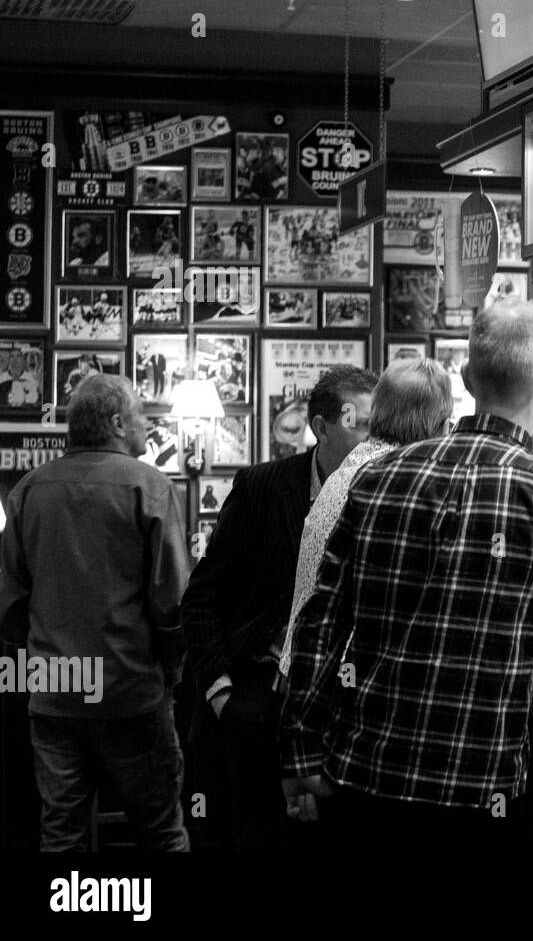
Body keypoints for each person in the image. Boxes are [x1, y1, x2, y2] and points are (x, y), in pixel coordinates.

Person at [280, 301, 533, 850]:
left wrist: (298, 752)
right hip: (480, 785)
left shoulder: (377, 477)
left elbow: (320, 624)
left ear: (464, 378)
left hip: (363, 774)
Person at [181, 364, 377, 850]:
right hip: (256, 693)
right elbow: (202, 597)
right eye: (364, 424)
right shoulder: (264, 487)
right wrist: (222, 692)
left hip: (340, 712)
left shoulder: (384, 491)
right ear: (321, 427)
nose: (377, 439)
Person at [0, 375, 190, 850]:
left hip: (54, 692)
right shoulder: (150, 486)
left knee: (62, 833)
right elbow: (172, 602)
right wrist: (171, 669)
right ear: (116, 421)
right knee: (160, 831)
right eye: (142, 415)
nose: (149, 424)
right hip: (131, 689)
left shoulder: (27, 490)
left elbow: (10, 606)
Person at [280, 358, 451, 690]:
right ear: (439, 426)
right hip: (341, 681)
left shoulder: (354, 464)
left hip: (301, 672)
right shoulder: (395, 478)